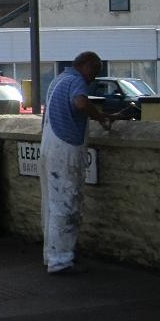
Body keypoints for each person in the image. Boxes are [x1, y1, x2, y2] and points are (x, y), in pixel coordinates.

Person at [40, 51, 115, 275]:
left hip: (49, 147)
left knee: (51, 207)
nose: (94, 77)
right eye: (95, 70)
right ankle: (61, 261)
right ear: (86, 66)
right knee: (66, 205)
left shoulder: (58, 80)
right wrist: (100, 117)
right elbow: (81, 103)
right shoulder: (76, 81)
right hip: (65, 150)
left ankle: (51, 254)